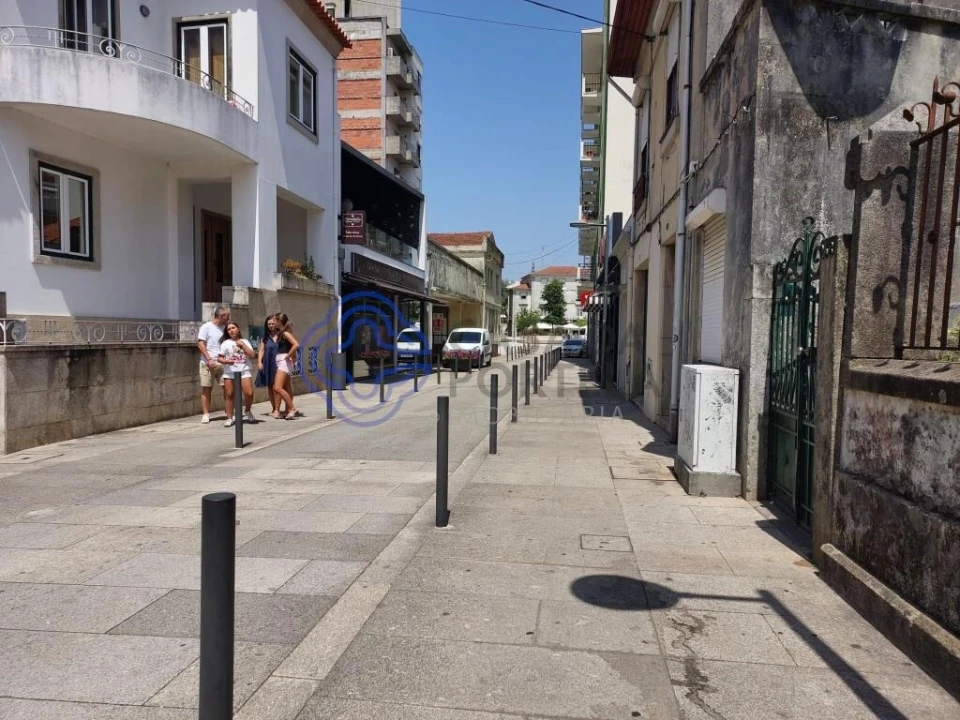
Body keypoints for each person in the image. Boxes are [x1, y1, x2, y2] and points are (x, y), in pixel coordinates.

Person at [219, 322, 256, 427]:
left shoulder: (244, 341)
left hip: (244, 370)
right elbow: (220, 358)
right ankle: (230, 417)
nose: (231, 330)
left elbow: (252, 355)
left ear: (238, 329)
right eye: (229, 329)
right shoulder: (225, 343)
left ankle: (247, 411)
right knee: (229, 395)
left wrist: (242, 345)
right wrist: (226, 361)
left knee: (249, 393)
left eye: (233, 328)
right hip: (230, 372)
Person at [197, 306, 230, 424]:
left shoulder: (225, 328)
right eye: (227, 316)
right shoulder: (206, 327)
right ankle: (206, 414)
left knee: (227, 388)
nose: (229, 318)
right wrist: (209, 359)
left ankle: (229, 412)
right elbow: (201, 344)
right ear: (221, 316)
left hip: (222, 363)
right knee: (206, 389)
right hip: (207, 363)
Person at [256, 315, 283, 419]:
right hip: (268, 362)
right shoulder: (265, 337)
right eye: (269, 324)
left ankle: (277, 409)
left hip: (279, 363)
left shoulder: (282, 334)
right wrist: (259, 362)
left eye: (272, 323)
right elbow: (261, 350)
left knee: (278, 387)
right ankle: (274, 408)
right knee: (270, 387)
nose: (271, 325)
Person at [274, 313, 300, 419]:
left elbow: (296, 344)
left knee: (277, 387)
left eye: (275, 320)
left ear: (279, 321)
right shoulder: (282, 333)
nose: (274, 322)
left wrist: (288, 355)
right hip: (282, 360)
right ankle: (288, 410)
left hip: (283, 361)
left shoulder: (285, 333)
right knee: (287, 387)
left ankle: (292, 408)